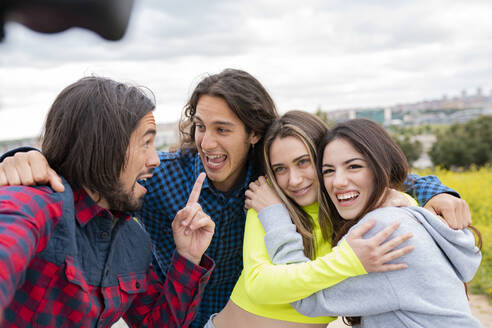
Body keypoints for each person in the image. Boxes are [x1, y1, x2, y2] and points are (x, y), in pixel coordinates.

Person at [0, 69, 472, 327]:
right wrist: (28, 159)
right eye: (200, 127)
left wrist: (437, 192)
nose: (205, 142)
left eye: (222, 130)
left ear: (253, 134)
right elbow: (89, 177)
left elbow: (363, 167)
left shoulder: (274, 174)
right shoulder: (168, 177)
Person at [0, 76, 215, 327]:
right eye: (145, 143)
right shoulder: (35, 205)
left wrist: (188, 257)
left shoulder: (134, 241)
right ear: (104, 147)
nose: (155, 159)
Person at [259, 118, 482, 327]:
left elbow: (304, 298)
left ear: (380, 168)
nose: (338, 182)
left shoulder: (383, 230)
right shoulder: (406, 215)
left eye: (354, 166)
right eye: (328, 171)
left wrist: (275, 214)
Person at [205, 110, 416, 328]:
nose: (294, 180)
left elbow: (403, 201)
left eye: (303, 162)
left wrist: (408, 199)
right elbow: (259, 285)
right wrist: (347, 262)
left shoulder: (352, 208)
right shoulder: (266, 202)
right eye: (280, 169)